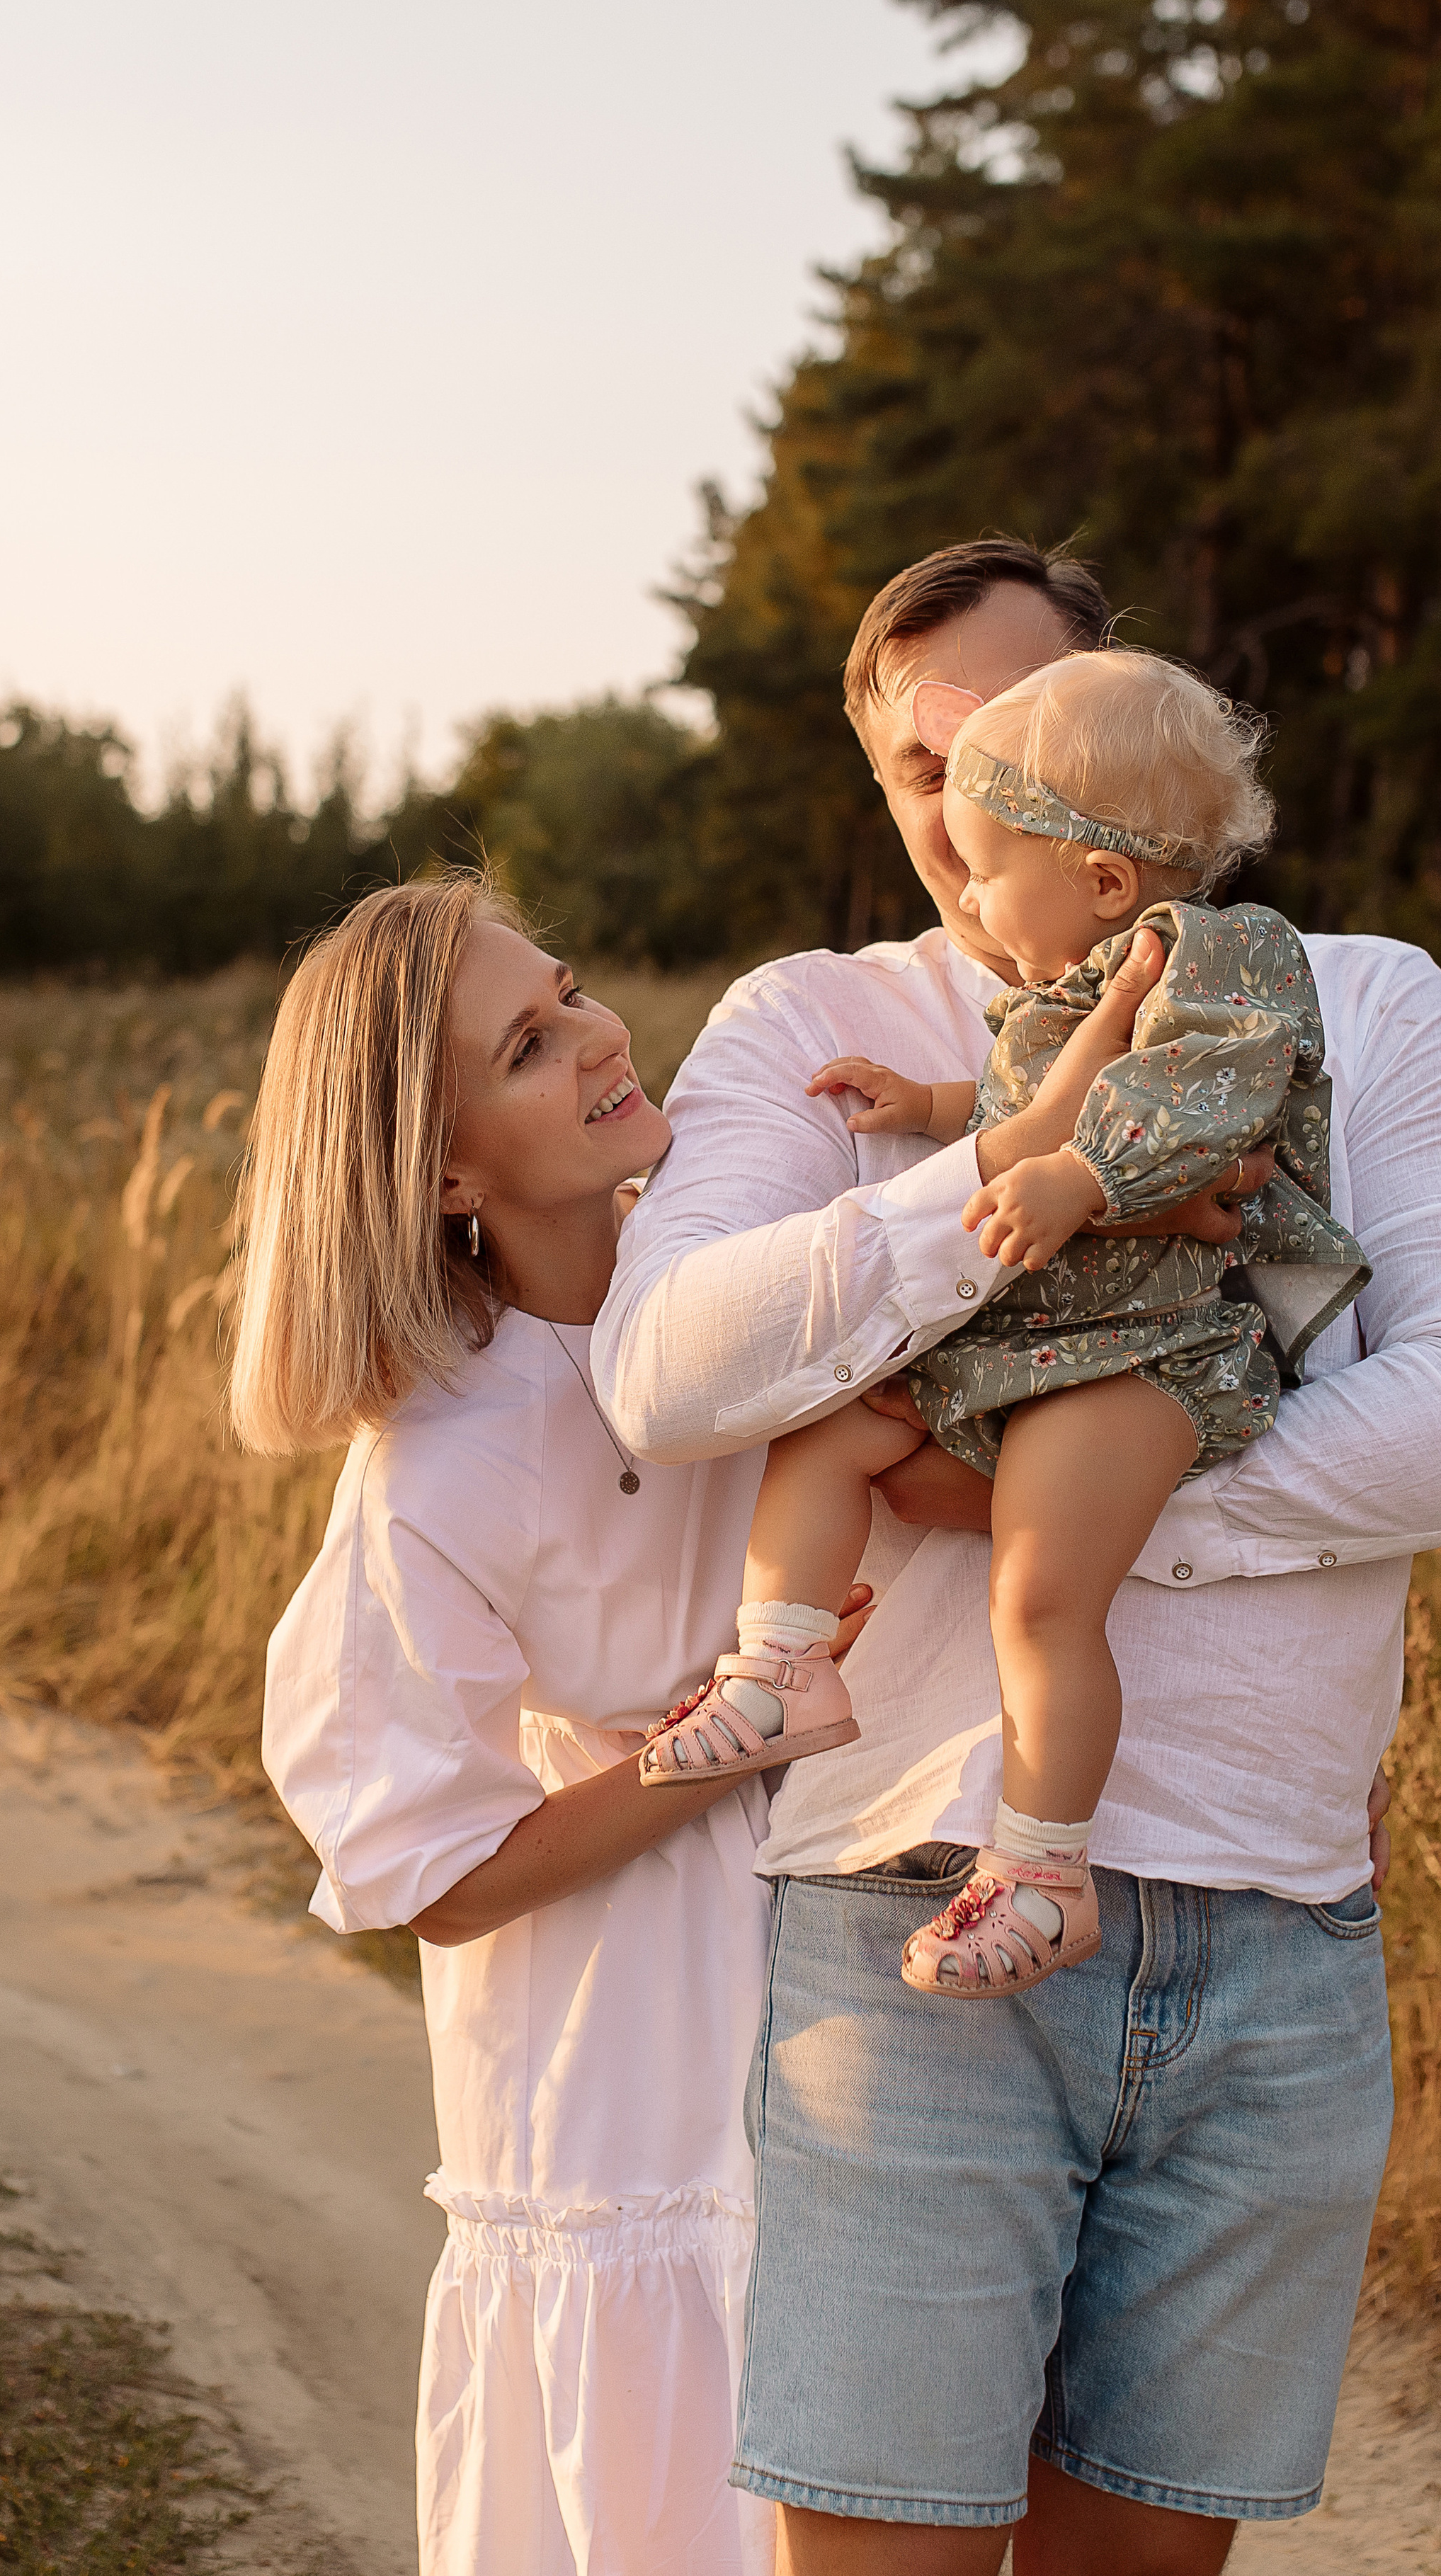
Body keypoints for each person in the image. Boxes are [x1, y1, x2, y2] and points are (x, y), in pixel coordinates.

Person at [593, 538, 1441, 2571]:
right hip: (910, 1921)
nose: (968, 806)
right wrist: (985, 1177)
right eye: (918, 769)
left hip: (1276, 1942)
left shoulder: (1344, 993)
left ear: (1125, 728)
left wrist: (1042, 1508)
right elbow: (666, 1370)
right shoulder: (814, 1022)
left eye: (1013, 739)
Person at [233, 872, 843, 2576]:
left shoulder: (727, 1280)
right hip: (612, 2028)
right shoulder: (441, 1461)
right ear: (441, 1173)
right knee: (671, 2486)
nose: (593, 1038)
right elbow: (426, 1863)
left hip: (838, 1937)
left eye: (568, 992)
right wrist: (725, 1732)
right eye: (525, 1043)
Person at [639, 647, 1367, 2010]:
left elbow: (1217, 1100)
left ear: (1101, 880)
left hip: (1145, 1351)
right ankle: (780, 1664)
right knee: (833, 1427)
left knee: (1039, 1593)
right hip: (1033, 1342)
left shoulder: (1230, 954)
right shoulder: (1062, 989)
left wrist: (1087, 1179)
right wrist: (921, 1103)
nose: (964, 896)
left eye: (987, 867)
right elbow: (1011, 1105)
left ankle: (1043, 1868)